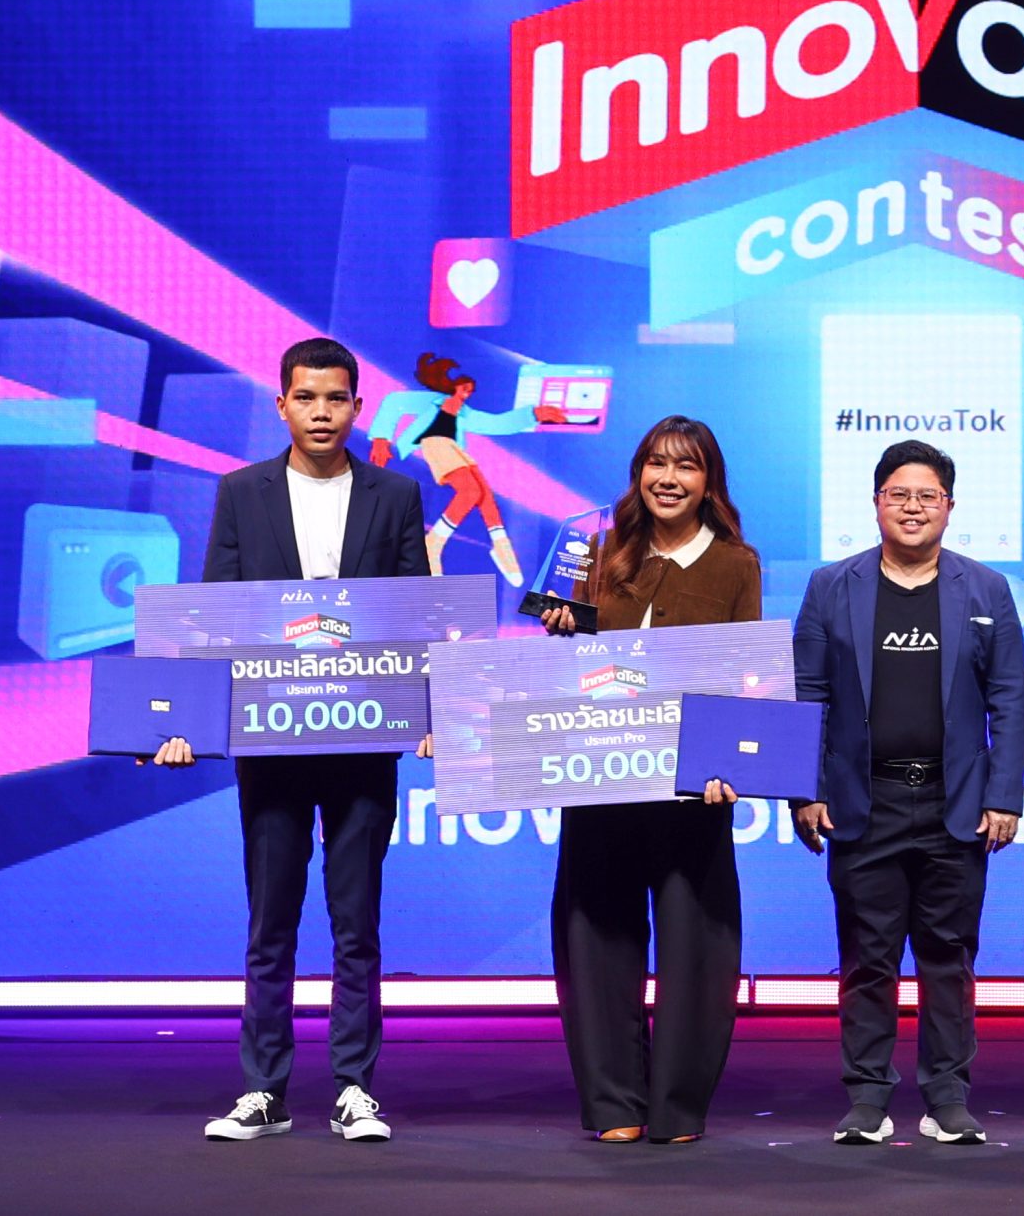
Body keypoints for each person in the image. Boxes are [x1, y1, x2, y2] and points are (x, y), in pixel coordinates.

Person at [156, 336, 432, 1145]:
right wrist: (186, 723)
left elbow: (416, 614)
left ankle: (354, 1088)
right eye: (305, 397)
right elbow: (215, 615)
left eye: (335, 398)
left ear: (357, 407)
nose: (321, 411)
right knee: (270, 922)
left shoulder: (395, 494)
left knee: (357, 924)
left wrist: (431, 711)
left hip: (364, 743)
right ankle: (263, 1089)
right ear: (281, 405)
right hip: (272, 741)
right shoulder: (241, 491)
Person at [791, 440, 1024, 1148]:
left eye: (928, 496)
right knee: (867, 960)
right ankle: (867, 1098)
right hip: (864, 802)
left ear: (950, 506)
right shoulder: (831, 586)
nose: (913, 507)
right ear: (876, 503)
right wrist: (805, 789)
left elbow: (1010, 697)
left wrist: (1004, 793)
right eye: (899, 494)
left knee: (949, 959)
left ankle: (947, 1098)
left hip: (956, 803)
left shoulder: (986, 589)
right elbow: (808, 692)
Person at [546, 415, 762, 1145]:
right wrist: (560, 630)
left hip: (691, 786)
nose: (668, 479)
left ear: (709, 482)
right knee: (595, 935)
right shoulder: (598, 551)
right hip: (599, 776)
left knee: (695, 940)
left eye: (686, 466)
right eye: (656, 464)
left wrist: (729, 763)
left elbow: (744, 674)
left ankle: (677, 1105)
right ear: (638, 473)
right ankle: (614, 1103)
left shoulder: (735, 564)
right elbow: (559, 670)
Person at [366, 351, 572, 583]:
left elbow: (496, 423)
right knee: (470, 491)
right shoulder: (431, 402)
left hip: (454, 448)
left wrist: (533, 414)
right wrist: (381, 438)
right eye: (464, 388)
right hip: (434, 444)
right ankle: (433, 543)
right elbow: (394, 402)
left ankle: (501, 545)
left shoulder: (465, 413)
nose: (467, 394)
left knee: (484, 493)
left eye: (470, 391)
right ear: (452, 385)